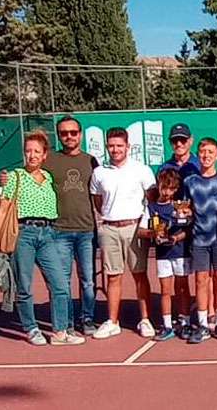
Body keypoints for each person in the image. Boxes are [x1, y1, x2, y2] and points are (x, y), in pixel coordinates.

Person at [0, 116, 100, 335]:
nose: (69, 136)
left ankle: (88, 319)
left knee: (88, 282)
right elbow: (27, 171)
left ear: (80, 134)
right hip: (58, 232)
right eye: (64, 133)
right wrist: (7, 178)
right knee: (61, 283)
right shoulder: (50, 160)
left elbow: (98, 192)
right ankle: (67, 326)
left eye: (73, 132)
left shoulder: (91, 161)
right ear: (59, 136)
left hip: (86, 231)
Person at [90, 128, 156, 340]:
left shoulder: (142, 170)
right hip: (109, 228)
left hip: (135, 228)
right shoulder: (100, 172)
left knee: (140, 275)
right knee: (113, 276)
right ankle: (112, 321)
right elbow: (98, 201)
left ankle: (145, 319)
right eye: (111, 146)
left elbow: (152, 196)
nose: (115, 149)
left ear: (128, 147)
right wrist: (111, 218)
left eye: (119, 146)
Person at [183, 137, 217, 343]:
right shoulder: (190, 182)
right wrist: (185, 215)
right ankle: (203, 324)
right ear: (199, 154)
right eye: (203, 152)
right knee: (200, 280)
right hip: (199, 239)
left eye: (210, 152)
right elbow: (185, 209)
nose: (206, 156)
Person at [159, 123, 208, 337]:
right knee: (179, 278)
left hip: (199, 227)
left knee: (203, 275)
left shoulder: (201, 164)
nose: (179, 144)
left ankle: (208, 315)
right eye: (174, 140)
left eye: (182, 140)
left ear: (191, 141)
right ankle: (181, 317)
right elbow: (157, 200)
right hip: (173, 230)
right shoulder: (164, 167)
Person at [139, 169, 192, 341]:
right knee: (165, 290)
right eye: (164, 187)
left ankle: (185, 322)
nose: (166, 192)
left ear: (175, 189)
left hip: (180, 252)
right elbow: (141, 231)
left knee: (182, 288)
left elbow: (187, 229)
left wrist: (176, 238)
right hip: (162, 255)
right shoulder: (151, 207)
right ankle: (167, 325)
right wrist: (153, 235)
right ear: (159, 185)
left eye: (170, 188)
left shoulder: (180, 206)